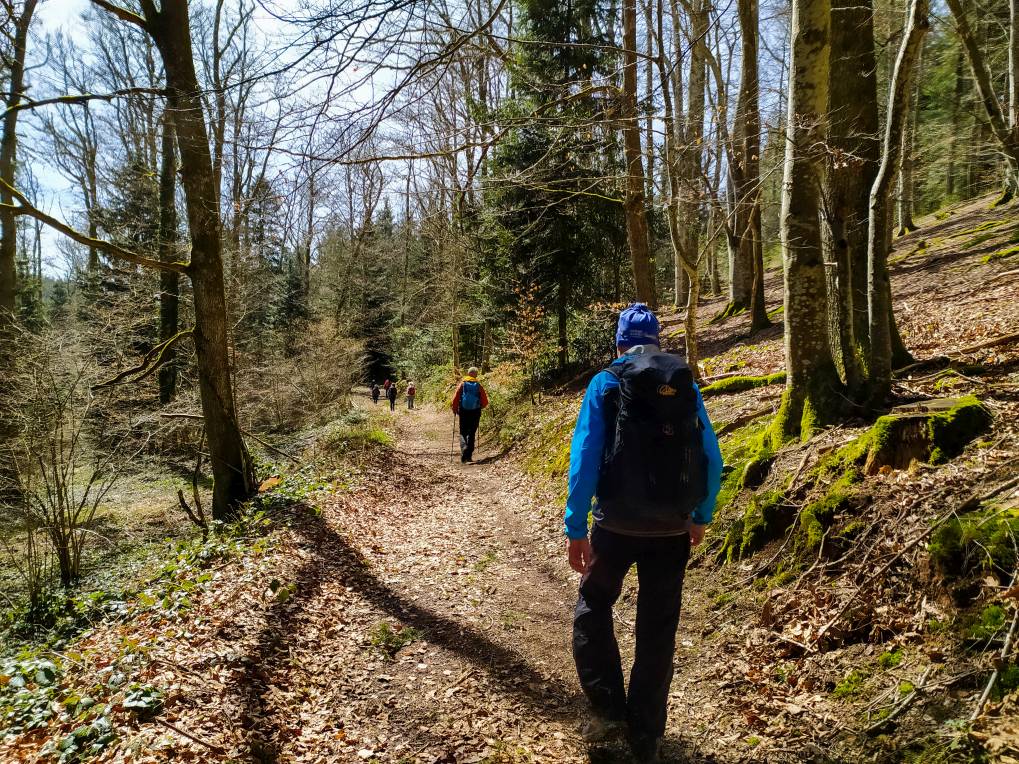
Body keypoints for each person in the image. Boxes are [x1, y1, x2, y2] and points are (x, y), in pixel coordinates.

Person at [563, 303, 723, 763]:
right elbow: (712, 457)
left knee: (594, 606)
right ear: (657, 340)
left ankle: (609, 709)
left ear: (619, 342)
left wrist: (576, 526)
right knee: (658, 628)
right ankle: (647, 734)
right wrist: (700, 515)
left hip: (614, 526)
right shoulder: (683, 385)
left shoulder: (606, 382)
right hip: (671, 530)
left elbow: (585, 456)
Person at [450, 366, 488, 463]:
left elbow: (455, 398)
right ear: (475, 374)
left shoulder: (462, 384)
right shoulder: (478, 385)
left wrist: (455, 409)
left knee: (463, 432)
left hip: (463, 411)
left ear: (468, 373)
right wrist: (480, 407)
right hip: (475, 412)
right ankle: (469, 455)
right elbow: (485, 401)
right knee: (472, 433)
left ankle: (464, 450)